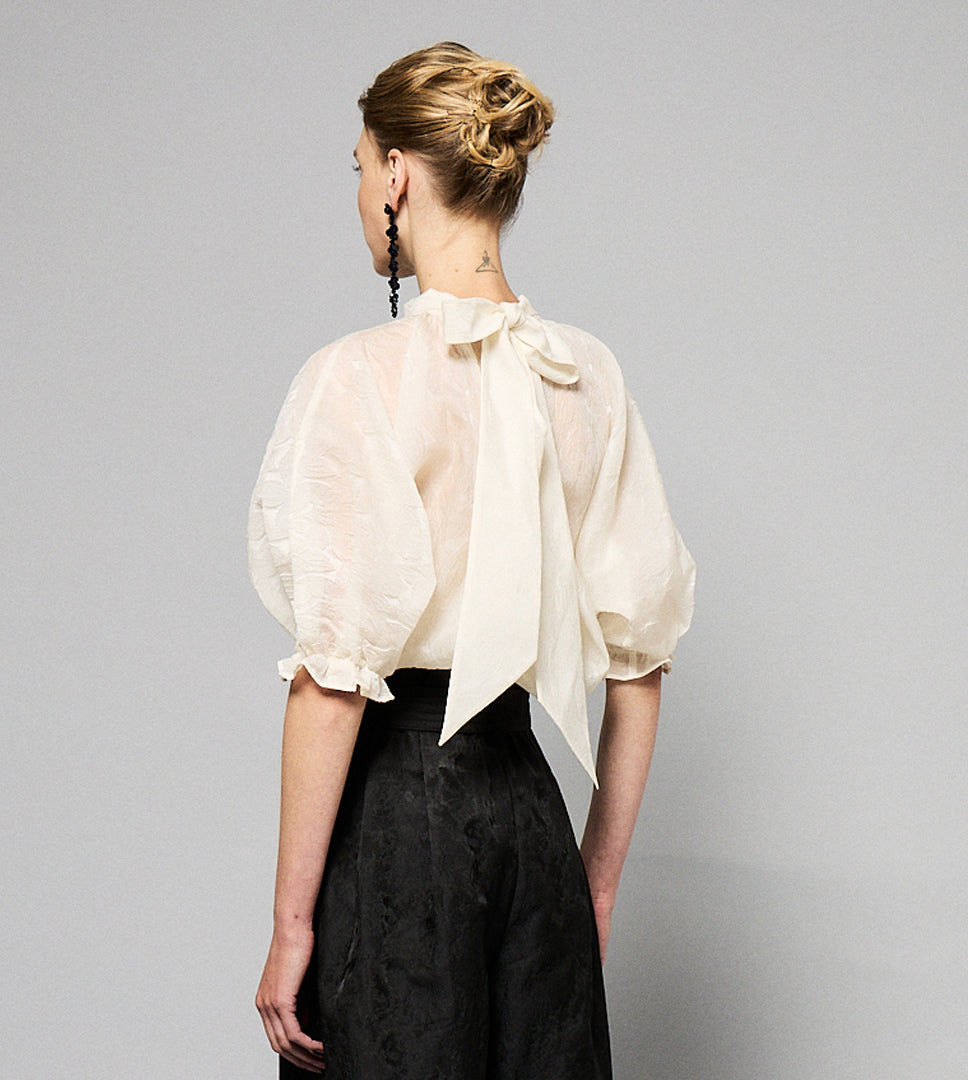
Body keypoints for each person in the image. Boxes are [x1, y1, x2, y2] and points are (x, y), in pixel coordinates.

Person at [247, 41, 695, 1080]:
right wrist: (594, 887)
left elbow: (332, 683)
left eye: (360, 165)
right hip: (528, 811)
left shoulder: (356, 377)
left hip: (400, 822)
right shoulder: (589, 376)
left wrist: (290, 925)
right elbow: (641, 664)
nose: (360, 191)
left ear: (400, 173)